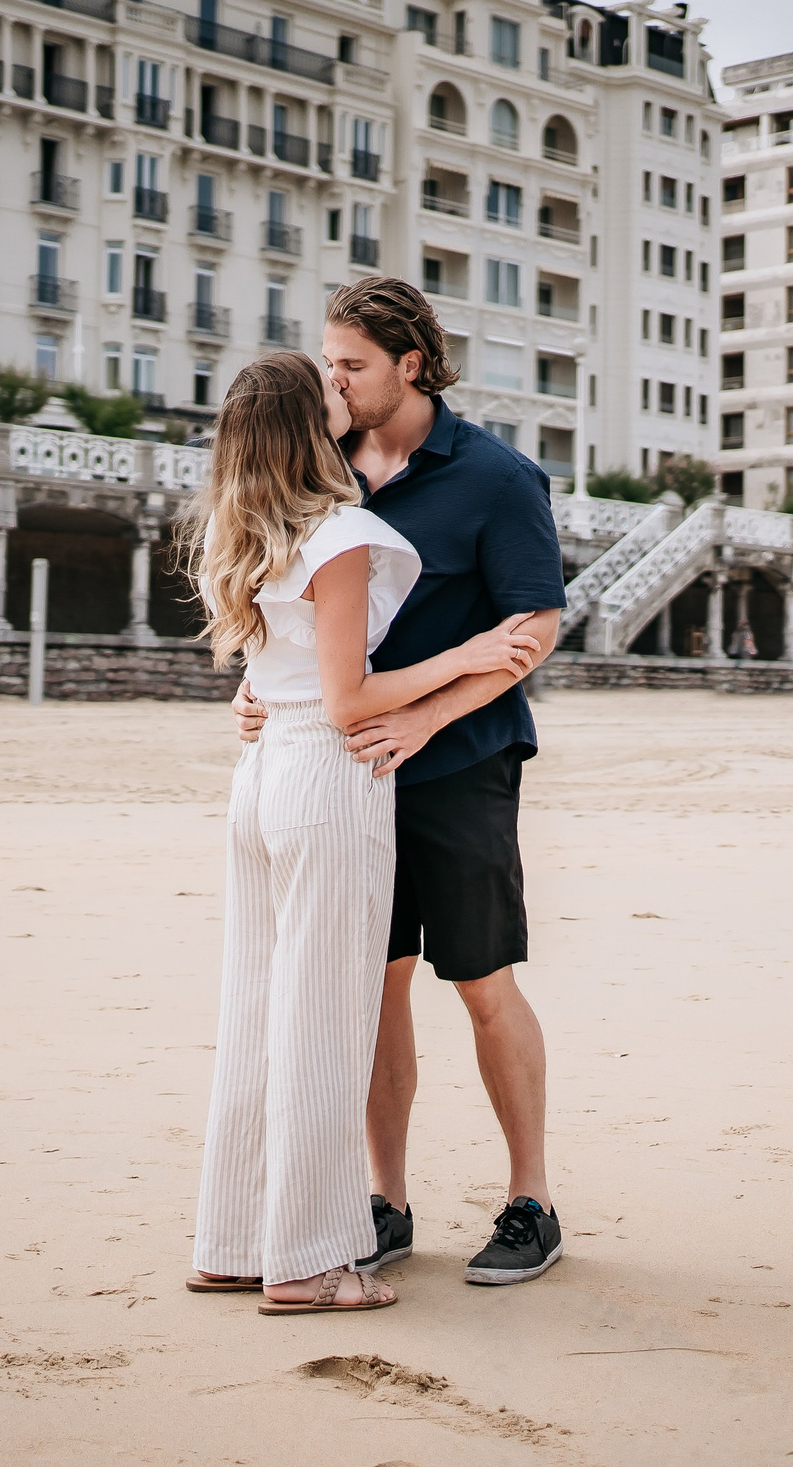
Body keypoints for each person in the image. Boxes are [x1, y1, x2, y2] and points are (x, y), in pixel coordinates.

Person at [180, 350, 545, 1314]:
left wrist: (260, 698)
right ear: (310, 422)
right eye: (331, 383)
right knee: (323, 1023)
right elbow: (349, 699)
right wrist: (462, 655)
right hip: (324, 780)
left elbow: (277, 671)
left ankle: (232, 1240)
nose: (346, 390)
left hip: (259, 782)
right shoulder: (339, 532)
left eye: (352, 370)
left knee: (256, 1010)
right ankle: (306, 1262)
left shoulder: (244, 521)